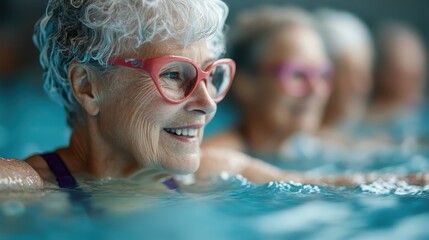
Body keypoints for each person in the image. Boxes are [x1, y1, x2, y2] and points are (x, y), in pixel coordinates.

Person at [0, 0, 428, 191]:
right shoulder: (32, 188)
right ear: (87, 87)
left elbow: (351, 185)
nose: (207, 103)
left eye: (211, 75)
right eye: (174, 74)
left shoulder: (209, 173)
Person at [202, 6, 332, 164]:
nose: (315, 89)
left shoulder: (309, 148)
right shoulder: (211, 161)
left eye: (323, 74)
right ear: (246, 84)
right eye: (297, 74)